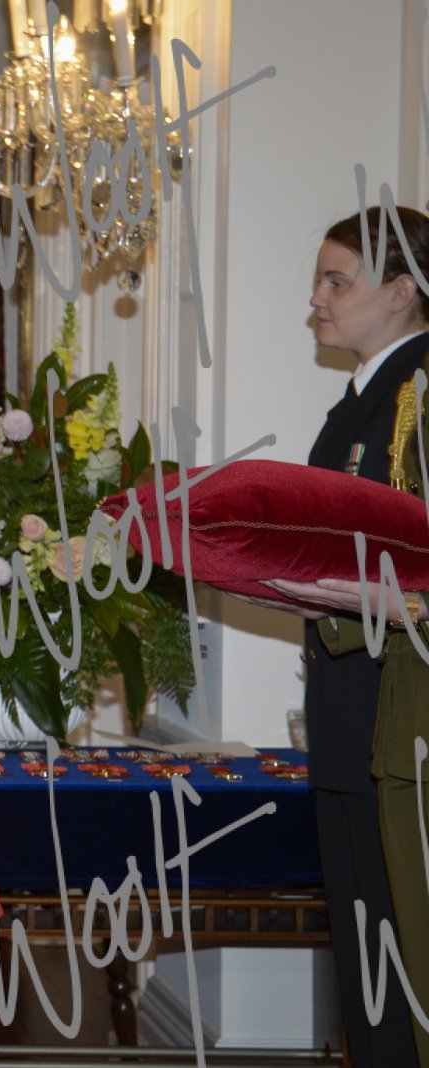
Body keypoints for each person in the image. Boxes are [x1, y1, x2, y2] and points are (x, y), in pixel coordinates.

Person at [249, 206, 429, 1066]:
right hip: (351, 725)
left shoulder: (415, 400)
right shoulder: (359, 403)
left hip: (397, 726)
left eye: (336, 281)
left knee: (402, 969)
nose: (316, 300)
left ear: (401, 291)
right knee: (368, 971)